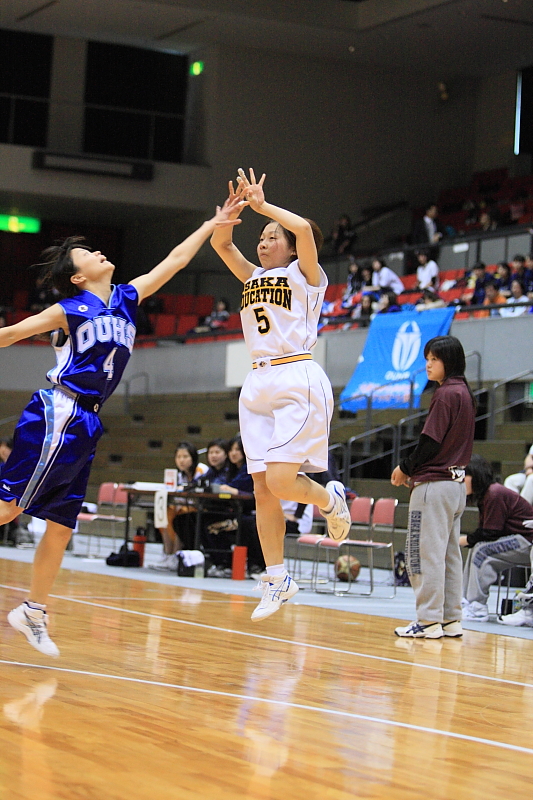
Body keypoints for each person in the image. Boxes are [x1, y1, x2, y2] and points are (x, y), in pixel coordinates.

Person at [0, 206, 239, 657]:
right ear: (77, 277)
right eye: (87, 253)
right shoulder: (69, 309)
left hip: (87, 421)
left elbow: (175, 262)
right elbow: (11, 333)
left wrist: (213, 224)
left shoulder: (127, 297)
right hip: (60, 410)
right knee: (9, 510)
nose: (97, 252)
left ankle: (33, 611)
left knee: (60, 526)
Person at [210, 167, 351, 621]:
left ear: (290, 247)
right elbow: (222, 246)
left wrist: (263, 206)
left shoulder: (306, 276)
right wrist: (229, 217)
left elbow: (306, 229)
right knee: (262, 489)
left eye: (272, 236)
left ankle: (330, 499)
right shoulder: (252, 276)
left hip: (296, 377)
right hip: (256, 383)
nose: (264, 241)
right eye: (262, 236)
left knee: (281, 480)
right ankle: (277, 577)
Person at [391, 335, 476, 638]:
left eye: (434, 359)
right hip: (456, 487)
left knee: (421, 553)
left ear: (449, 362)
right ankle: (451, 618)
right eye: (427, 358)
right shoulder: (465, 392)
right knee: (449, 555)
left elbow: (431, 442)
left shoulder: (445, 394)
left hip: (433, 486)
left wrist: (405, 468)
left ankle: (427, 621)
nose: (428, 364)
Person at [460, 454, 533, 623]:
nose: (460, 482)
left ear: (475, 475)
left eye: (464, 477)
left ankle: (477, 606)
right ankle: (468, 601)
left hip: (527, 540)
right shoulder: (486, 495)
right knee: (477, 548)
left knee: (481, 549)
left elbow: (490, 532)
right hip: (518, 540)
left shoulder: (494, 493)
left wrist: (463, 540)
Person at [151, 441, 209, 571]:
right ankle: (167, 553)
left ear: (193, 457)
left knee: (179, 515)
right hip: (183, 505)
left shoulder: (202, 470)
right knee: (164, 512)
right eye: (178, 457)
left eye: (185, 456)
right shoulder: (177, 474)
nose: (181, 460)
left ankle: (176, 554)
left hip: (200, 508)